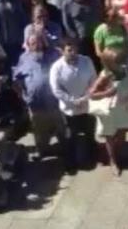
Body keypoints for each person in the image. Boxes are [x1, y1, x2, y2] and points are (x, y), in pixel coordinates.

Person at [49, 39, 98, 173]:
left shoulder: (87, 61)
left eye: (75, 49)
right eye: (69, 50)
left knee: (90, 133)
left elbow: (94, 80)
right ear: (62, 51)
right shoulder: (56, 67)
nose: (73, 52)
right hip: (69, 110)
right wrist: (72, 100)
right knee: (71, 137)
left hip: (87, 105)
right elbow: (56, 89)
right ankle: (70, 163)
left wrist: (86, 97)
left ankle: (92, 157)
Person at [13, 33, 63, 160]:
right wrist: (24, 96)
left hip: (55, 102)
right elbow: (16, 80)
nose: (36, 45)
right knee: (40, 132)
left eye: (38, 42)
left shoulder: (54, 55)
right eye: (32, 43)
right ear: (28, 45)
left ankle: (66, 153)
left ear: (43, 42)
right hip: (35, 104)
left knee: (61, 129)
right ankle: (43, 152)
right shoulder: (23, 58)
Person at [87, 49, 128, 176]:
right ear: (109, 63)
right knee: (110, 136)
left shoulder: (124, 70)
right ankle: (113, 161)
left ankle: (118, 157)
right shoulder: (105, 75)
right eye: (117, 61)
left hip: (123, 107)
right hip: (110, 109)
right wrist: (107, 93)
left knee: (122, 134)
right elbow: (91, 94)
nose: (121, 62)